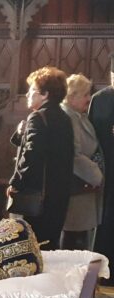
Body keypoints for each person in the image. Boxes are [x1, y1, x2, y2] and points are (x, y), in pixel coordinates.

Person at [8, 66, 74, 250]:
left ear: (45, 94)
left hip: (37, 196)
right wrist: (21, 133)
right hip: (58, 195)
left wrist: (16, 183)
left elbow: (31, 155)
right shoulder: (65, 118)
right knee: (49, 246)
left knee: (29, 246)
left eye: (32, 90)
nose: (27, 94)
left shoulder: (37, 117)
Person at [60, 74, 104, 250]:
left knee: (79, 237)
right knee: (71, 238)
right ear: (72, 96)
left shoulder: (79, 116)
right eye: (85, 94)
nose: (89, 98)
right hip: (76, 185)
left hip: (83, 187)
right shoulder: (69, 117)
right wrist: (97, 176)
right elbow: (74, 155)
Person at [89, 54, 114, 284]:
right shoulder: (100, 99)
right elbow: (91, 138)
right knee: (105, 218)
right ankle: (103, 272)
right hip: (106, 168)